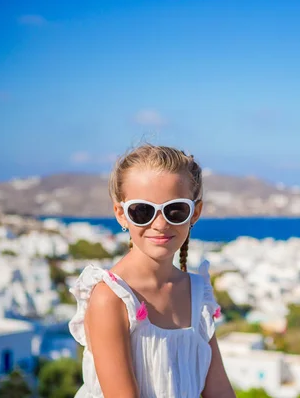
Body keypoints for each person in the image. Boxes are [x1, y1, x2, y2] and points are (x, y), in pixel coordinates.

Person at [68, 144, 236, 397]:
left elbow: (219, 391)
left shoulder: (198, 294)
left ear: (195, 213)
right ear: (121, 214)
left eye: (175, 210)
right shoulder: (111, 298)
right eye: (142, 211)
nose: (160, 224)